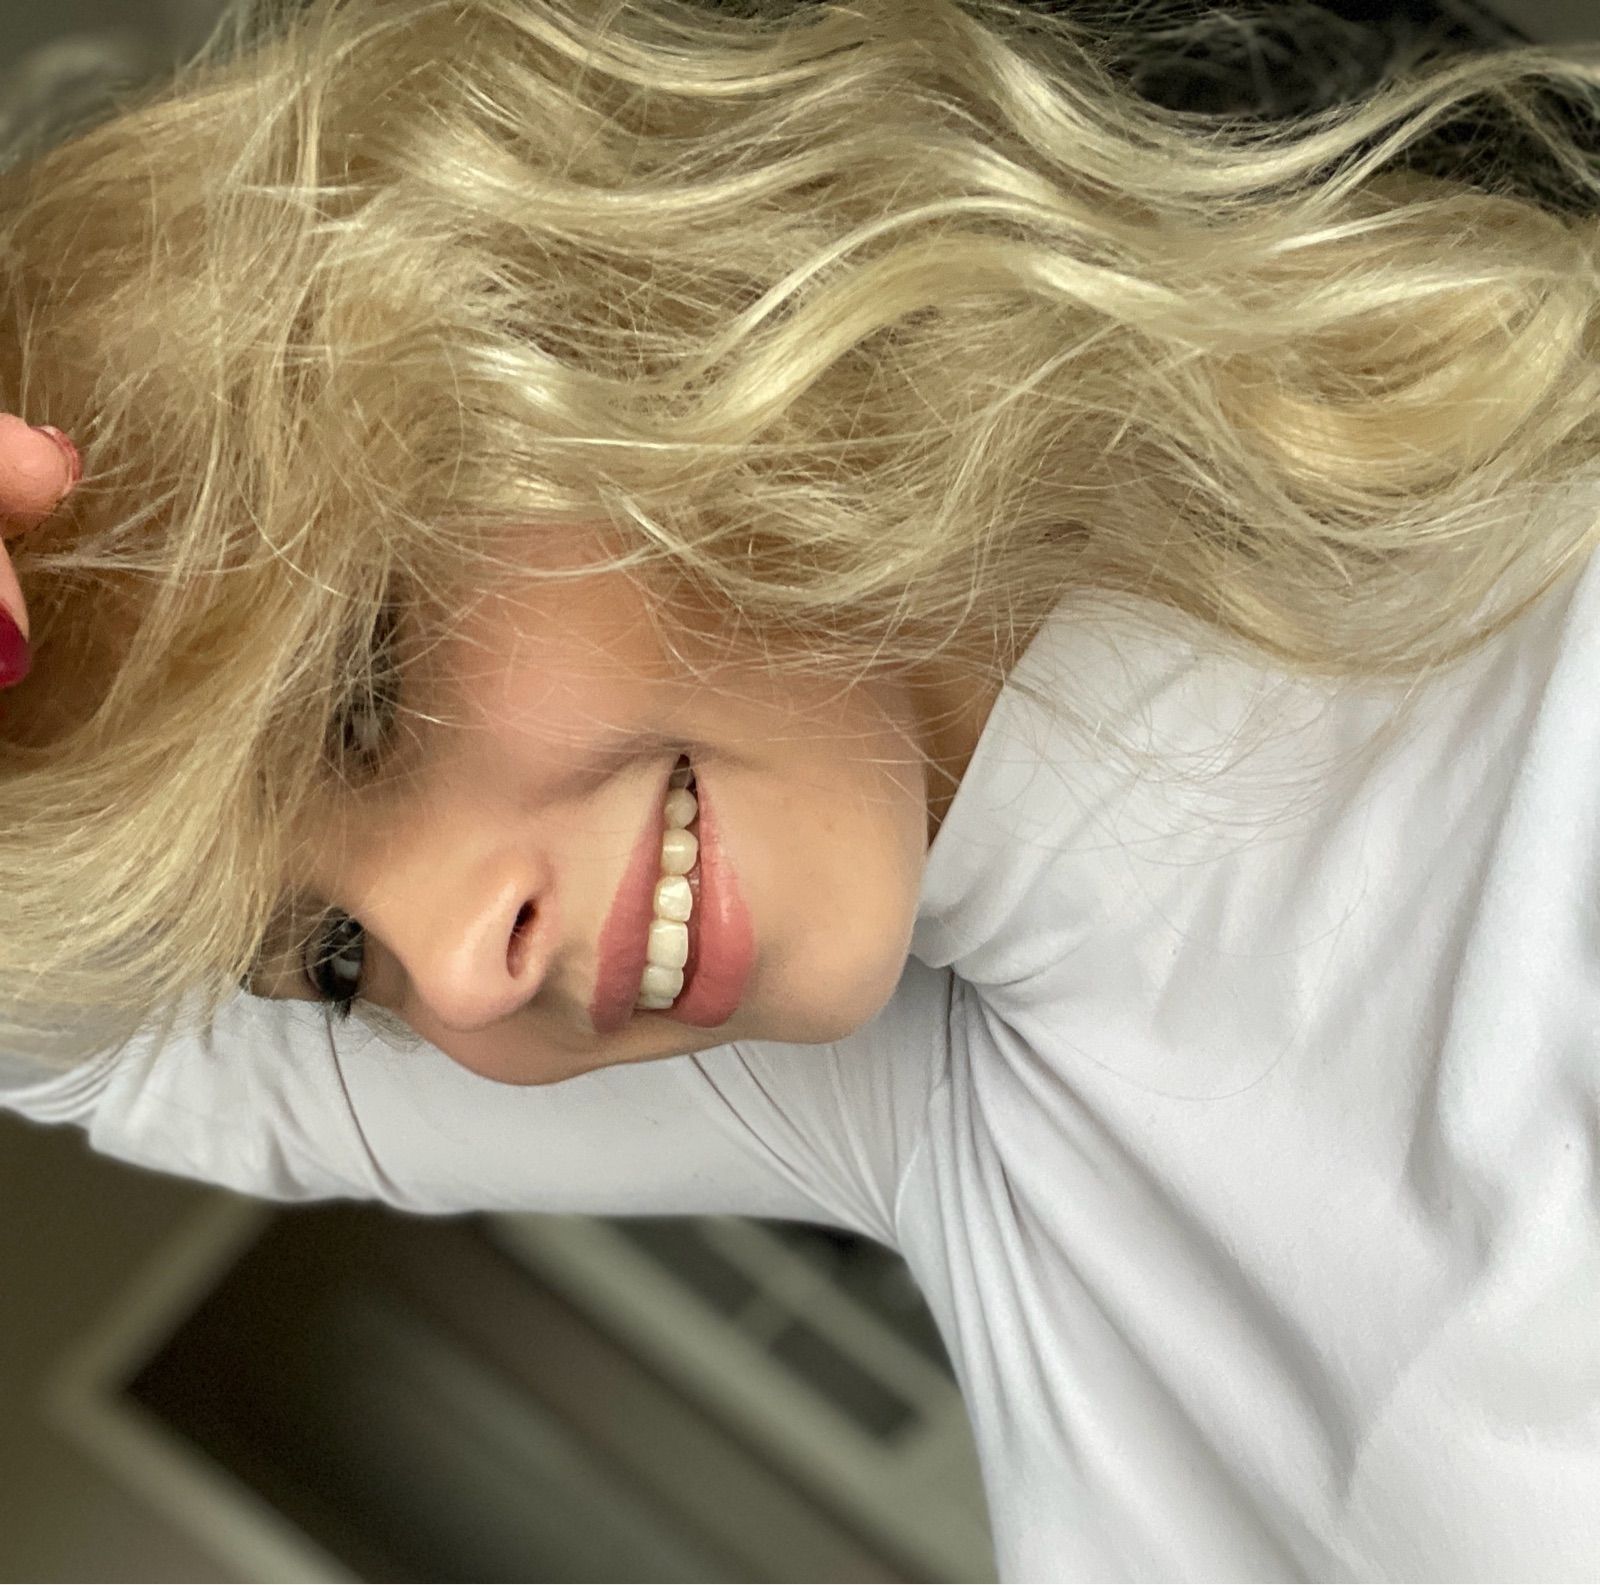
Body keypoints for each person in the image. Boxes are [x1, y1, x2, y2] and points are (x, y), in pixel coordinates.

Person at [2, 0, 1598, 1576]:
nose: (457, 967)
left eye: (366, 696)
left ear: (574, 315)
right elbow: (105, 1050)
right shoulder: (958, 1100)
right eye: (334, 959)